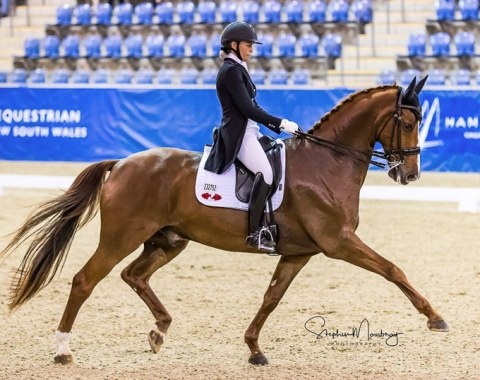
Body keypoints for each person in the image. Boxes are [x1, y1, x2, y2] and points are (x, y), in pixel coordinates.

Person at [204, 21, 299, 253]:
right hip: (239, 135)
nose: (251, 50)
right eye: (248, 45)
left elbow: (252, 107)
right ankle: (255, 232)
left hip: (251, 131)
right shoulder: (230, 71)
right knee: (265, 174)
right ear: (234, 45)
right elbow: (248, 109)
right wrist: (280, 123)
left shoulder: (238, 68)